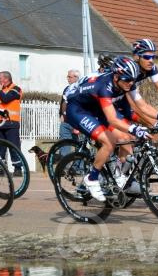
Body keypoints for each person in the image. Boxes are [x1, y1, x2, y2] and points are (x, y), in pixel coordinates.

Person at [64, 56, 148, 202]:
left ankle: (120, 176)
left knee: (126, 138)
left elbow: (131, 111)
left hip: (95, 109)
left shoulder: (123, 84)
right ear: (116, 76)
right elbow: (112, 119)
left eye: (133, 80)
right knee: (109, 142)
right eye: (128, 80)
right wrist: (135, 128)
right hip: (78, 110)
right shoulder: (104, 86)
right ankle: (92, 178)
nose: (131, 83)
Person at [0, 71, 24, 176]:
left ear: (5, 79)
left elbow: (5, 99)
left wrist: (0, 90)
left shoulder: (16, 89)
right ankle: (0, 169)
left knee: (13, 146)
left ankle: (18, 169)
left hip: (12, 123)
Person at [59, 69, 81, 153]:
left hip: (77, 122)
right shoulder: (67, 89)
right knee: (64, 145)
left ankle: (79, 165)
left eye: (69, 77)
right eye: (67, 76)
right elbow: (63, 102)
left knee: (78, 145)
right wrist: (61, 115)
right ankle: (65, 165)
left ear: (76, 77)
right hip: (66, 121)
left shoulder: (81, 89)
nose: (68, 78)